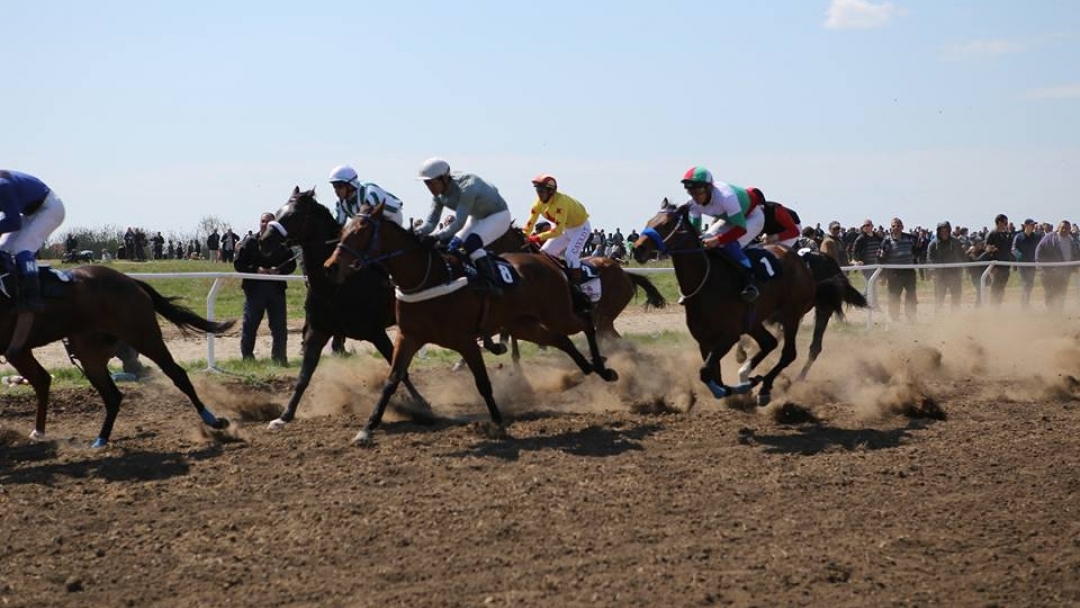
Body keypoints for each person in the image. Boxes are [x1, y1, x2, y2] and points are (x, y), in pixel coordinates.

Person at [415, 157, 511, 295]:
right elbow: (430, 223)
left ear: (444, 178)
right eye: (427, 184)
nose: (430, 188)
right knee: (452, 247)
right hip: (477, 216)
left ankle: (492, 283)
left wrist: (435, 237)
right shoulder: (438, 195)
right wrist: (415, 232)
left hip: (498, 215)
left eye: (431, 183)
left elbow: (459, 222)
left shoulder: (467, 187)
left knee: (471, 246)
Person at [680, 166, 763, 302]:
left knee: (729, 244)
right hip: (730, 219)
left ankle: (750, 282)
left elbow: (741, 229)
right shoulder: (693, 204)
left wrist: (718, 240)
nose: (695, 196)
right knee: (705, 240)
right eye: (690, 191)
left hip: (752, 217)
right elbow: (695, 230)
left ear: (708, 188)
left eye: (698, 190)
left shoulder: (726, 197)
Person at [234, 213, 297, 364]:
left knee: (279, 327)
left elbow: (291, 265)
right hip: (254, 290)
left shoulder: (282, 244)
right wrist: (256, 270)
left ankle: (280, 359)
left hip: (276, 290)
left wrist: (279, 271)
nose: (265, 224)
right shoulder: (250, 242)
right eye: (263, 221)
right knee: (250, 325)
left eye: (269, 222)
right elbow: (239, 264)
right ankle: (247, 358)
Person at [0, 170, 67, 313]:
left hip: (50, 208)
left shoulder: (2, 185)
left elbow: (13, 222)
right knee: (4, 247)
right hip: (29, 212)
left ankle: (32, 296)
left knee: (21, 247)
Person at [520, 174, 591, 283]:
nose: (539, 195)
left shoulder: (560, 202)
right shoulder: (538, 204)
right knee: (544, 253)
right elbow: (529, 226)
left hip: (580, 228)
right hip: (565, 228)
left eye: (542, 192)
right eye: (538, 191)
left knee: (570, 255)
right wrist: (522, 236)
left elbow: (557, 231)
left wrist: (535, 238)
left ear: (551, 191)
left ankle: (578, 285)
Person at [328, 165, 406, 227]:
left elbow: (374, 219)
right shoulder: (341, 204)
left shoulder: (369, 194)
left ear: (350, 185)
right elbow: (338, 226)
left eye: (340, 186)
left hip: (392, 217)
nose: (336, 190)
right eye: (334, 187)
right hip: (370, 223)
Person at [1035, 220, 1080, 311]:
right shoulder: (1049, 238)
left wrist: (1075, 266)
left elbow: (1075, 254)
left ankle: (1059, 311)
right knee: (1050, 292)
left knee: (1062, 292)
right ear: (1058, 228)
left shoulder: (1071, 240)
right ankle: (1051, 312)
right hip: (1049, 272)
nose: (1065, 230)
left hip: (1064, 273)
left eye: (1067, 228)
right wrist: (1040, 266)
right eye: (1063, 228)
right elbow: (1039, 251)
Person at [878, 217, 917, 322]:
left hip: (909, 271)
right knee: (894, 296)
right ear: (890, 228)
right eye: (893, 226)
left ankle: (911, 317)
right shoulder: (886, 241)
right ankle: (894, 318)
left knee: (911, 294)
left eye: (898, 226)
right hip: (894, 273)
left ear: (902, 227)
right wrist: (882, 276)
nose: (896, 228)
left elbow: (917, 250)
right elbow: (881, 258)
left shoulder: (910, 238)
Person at [926, 221, 966, 311]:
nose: (944, 233)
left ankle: (955, 317)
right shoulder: (933, 244)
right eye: (942, 231)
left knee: (956, 297)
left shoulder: (956, 242)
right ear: (939, 232)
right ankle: (938, 318)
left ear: (949, 231)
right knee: (939, 298)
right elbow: (929, 258)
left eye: (946, 231)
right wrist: (932, 271)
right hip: (940, 276)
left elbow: (962, 255)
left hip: (955, 274)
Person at [1011, 218, 1041, 309]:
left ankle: (1026, 301)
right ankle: (1024, 304)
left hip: (1032, 264)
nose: (1033, 227)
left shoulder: (1035, 236)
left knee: (1030, 283)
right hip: (1023, 265)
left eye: (1034, 225)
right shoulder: (1018, 237)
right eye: (1032, 225)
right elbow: (1013, 250)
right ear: (1026, 226)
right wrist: (1021, 258)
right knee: (1025, 283)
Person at [985, 213, 1013, 306]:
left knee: (1001, 289)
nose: (1006, 225)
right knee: (995, 289)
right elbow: (987, 250)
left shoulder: (1005, 235)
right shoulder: (992, 234)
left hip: (1005, 267)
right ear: (999, 223)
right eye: (1005, 223)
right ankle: (993, 309)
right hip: (996, 268)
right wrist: (992, 267)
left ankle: (998, 307)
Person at [851, 219, 882, 284]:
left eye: (867, 225)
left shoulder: (878, 237)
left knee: (873, 283)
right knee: (870, 283)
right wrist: (857, 260)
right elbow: (854, 251)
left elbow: (882, 247)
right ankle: (868, 294)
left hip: (877, 264)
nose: (865, 227)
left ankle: (870, 294)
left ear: (872, 226)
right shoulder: (860, 238)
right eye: (864, 226)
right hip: (866, 265)